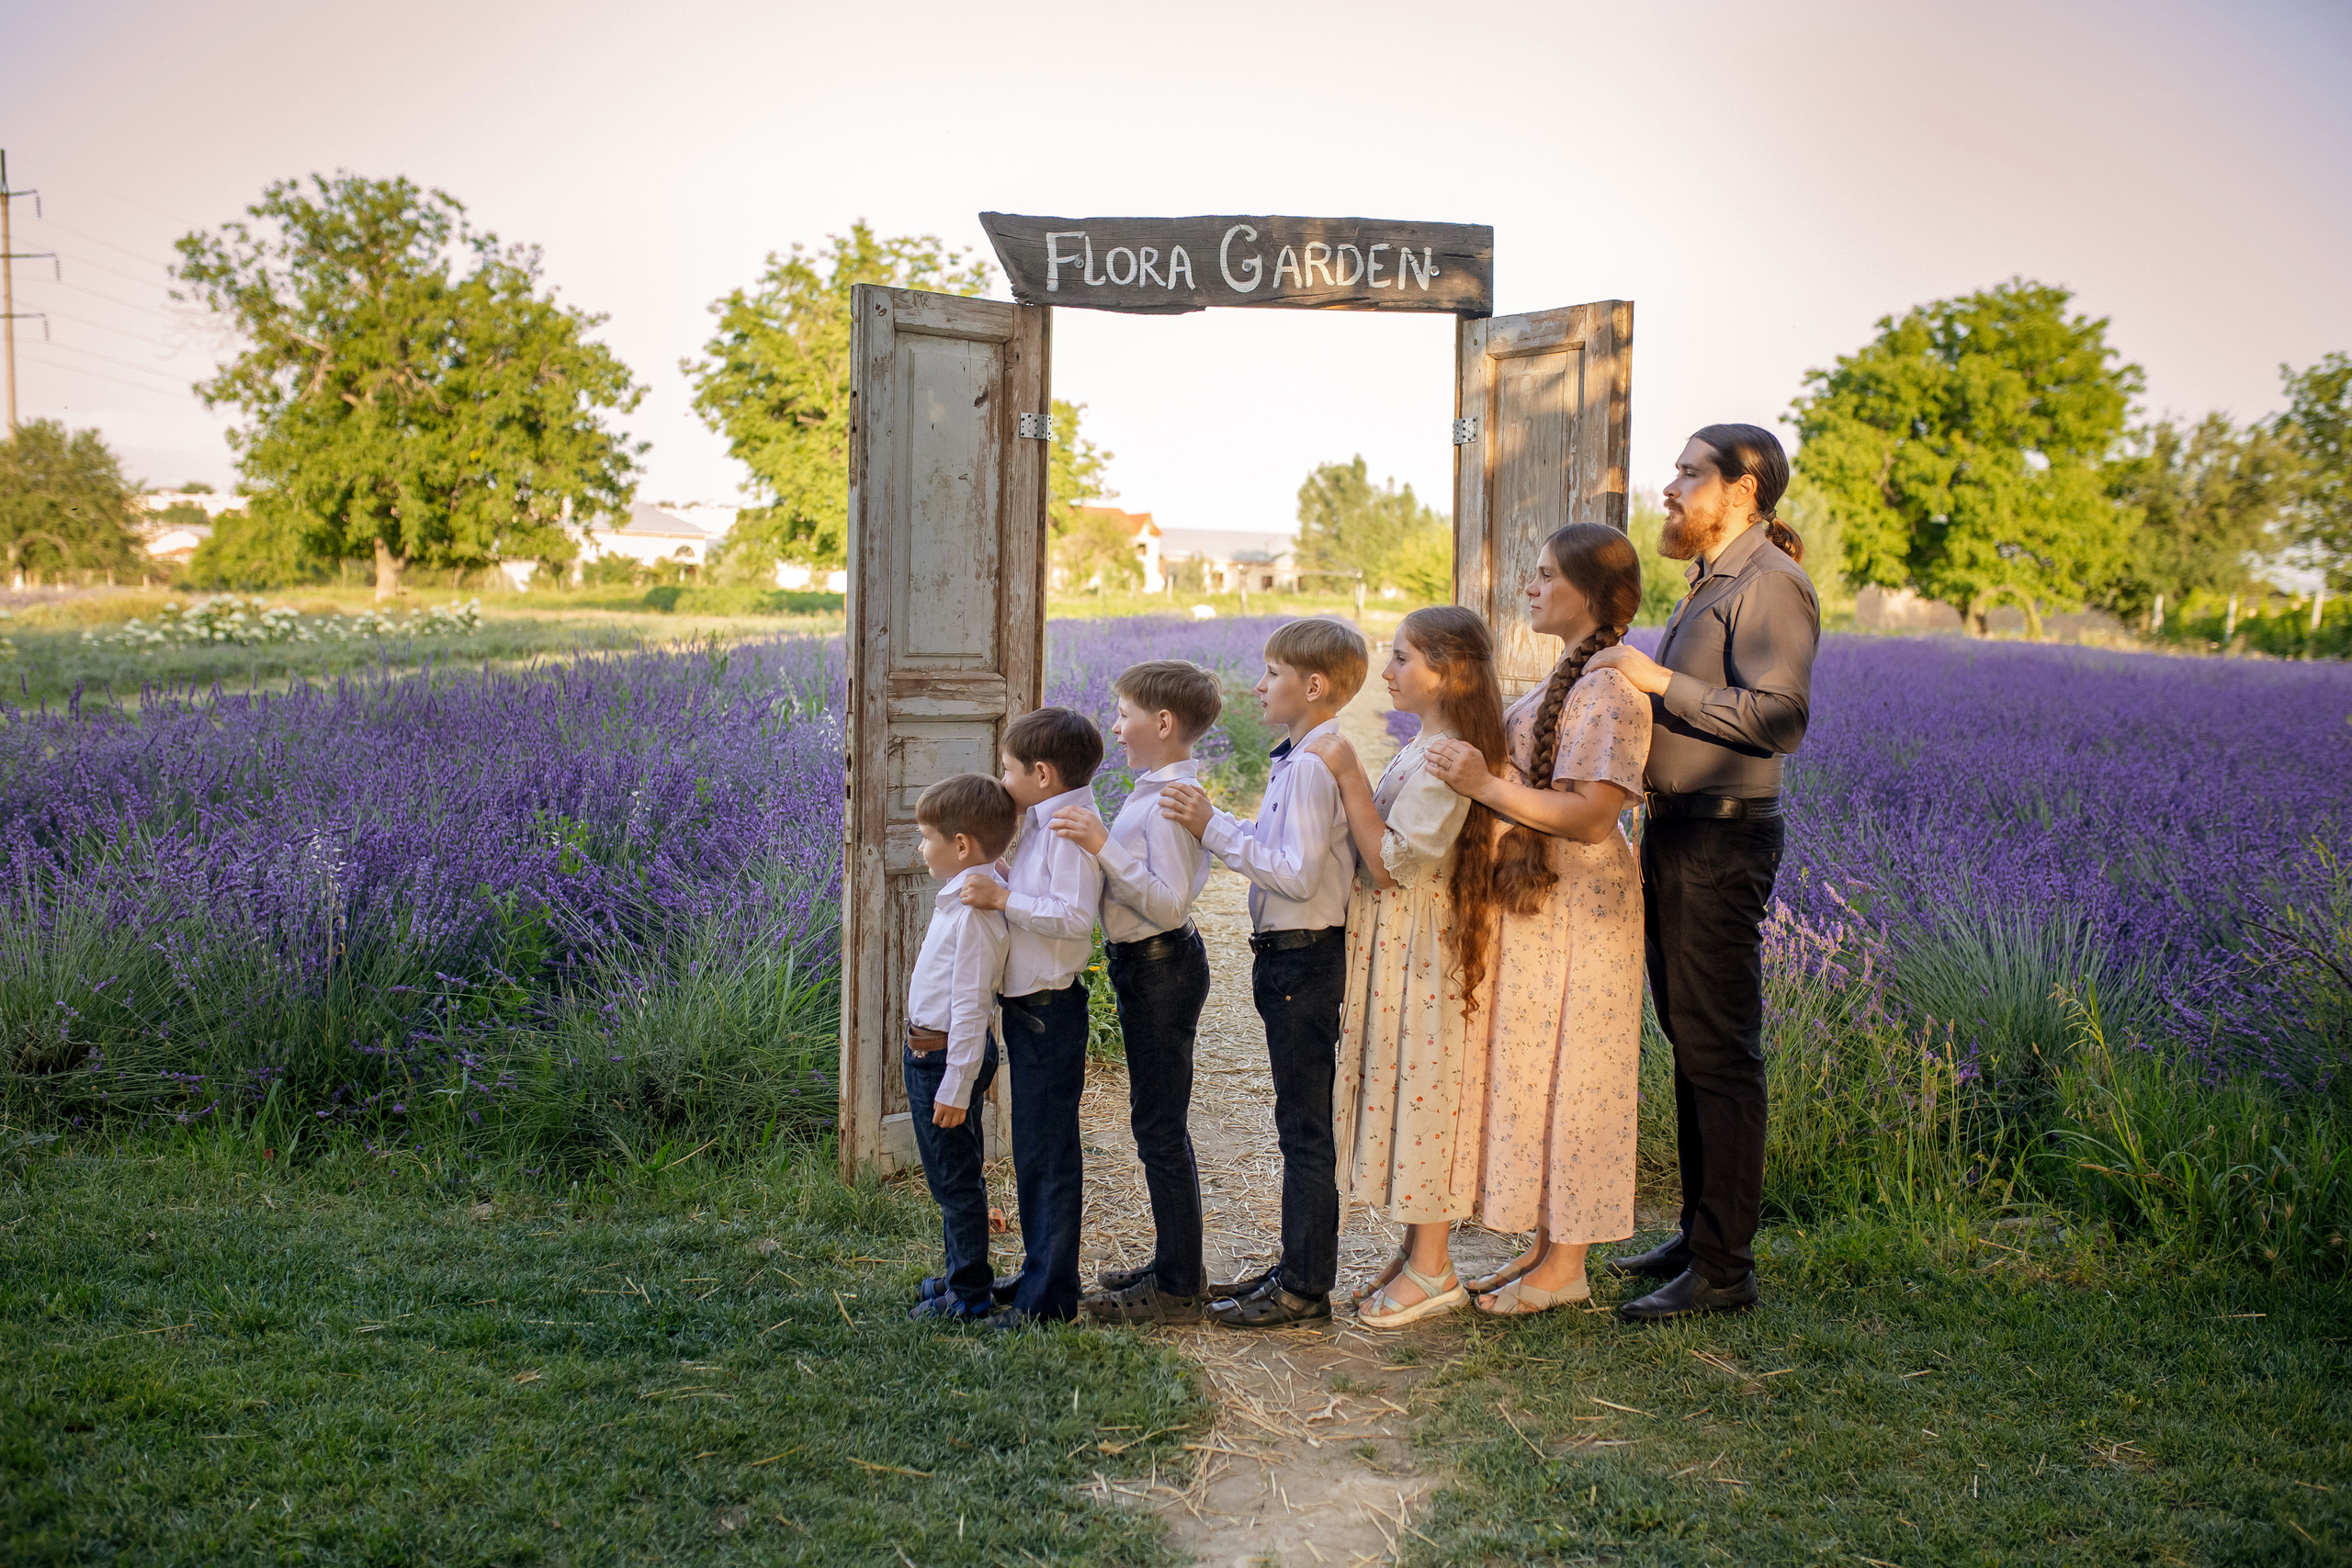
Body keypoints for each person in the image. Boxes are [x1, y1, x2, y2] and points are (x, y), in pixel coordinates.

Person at [1588, 423, 1819, 1322]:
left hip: (1722, 844)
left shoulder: (1770, 583)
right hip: (1681, 834)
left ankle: (1725, 1269)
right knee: (1691, 1042)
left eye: (1688, 474)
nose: (1670, 487)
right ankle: (1700, 1233)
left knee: (1720, 1053)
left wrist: (1655, 685)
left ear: (1743, 488)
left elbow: (1780, 716)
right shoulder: (1713, 581)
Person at [1423, 523, 1651, 1316]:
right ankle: (1552, 1250)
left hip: (1587, 908)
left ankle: (1568, 1267)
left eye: (1547, 574)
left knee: (1581, 1076)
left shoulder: (1611, 690)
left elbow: (1592, 816)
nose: (1531, 584)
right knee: (1551, 1067)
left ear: (1589, 595)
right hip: (1550, 905)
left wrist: (1486, 786)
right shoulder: (1571, 675)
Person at [1308, 606, 1511, 1329]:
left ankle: (1434, 1269)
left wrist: (1349, 774)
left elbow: (1394, 861)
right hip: (1398, 945)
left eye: (1401, 658)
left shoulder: (1448, 753)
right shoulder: (1429, 741)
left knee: (1423, 1089)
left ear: (1447, 672)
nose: (1387, 671)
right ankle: (1414, 1252)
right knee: (1401, 1082)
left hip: (1421, 949)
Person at [1160, 617, 1366, 1329]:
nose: (1258, 683)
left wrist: (1212, 827)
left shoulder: (1311, 766)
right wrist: (1219, 827)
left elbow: (1295, 872)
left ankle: (1306, 1286)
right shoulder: (1298, 758)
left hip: (1304, 958)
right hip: (1290, 956)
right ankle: (1296, 1263)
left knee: (1303, 1127)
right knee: (1295, 1120)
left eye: (1271, 672)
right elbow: (1274, 847)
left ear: (1312, 686)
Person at [1048, 660, 1224, 1325]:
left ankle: (1179, 1285)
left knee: (1159, 1127)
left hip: (1162, 966)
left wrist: (1101, 843)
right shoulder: (1153, 787)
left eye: (1123, 714)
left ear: (1163, 723)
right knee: (1155, 1123)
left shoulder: (1171, 802)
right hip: (1143, 964)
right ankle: (1171, 1263)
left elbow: (1169, 900)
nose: (1115, 727)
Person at [957, 706, 1106, 1325]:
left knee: (1047, 1155)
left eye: (1008, 768)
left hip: (1049, 1009)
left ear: (1041, 773)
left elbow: (1075, 917)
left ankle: (1050, 1299)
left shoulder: (1071, 828)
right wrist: (1008, 876)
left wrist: (1003, 896)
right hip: (1033, 1009)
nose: (1003, 778)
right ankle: (1042, 1274)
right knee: (1035, 1151)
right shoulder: (1045, 822)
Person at [902, 773, 1019, 1321]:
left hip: (946, 1057)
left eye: (927, 837)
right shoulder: (965, 894)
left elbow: (973, 1010)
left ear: (962, 845)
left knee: (955, 1182)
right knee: (951, 1175)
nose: (919, 847)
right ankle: (958, 1276)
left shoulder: (973, 913)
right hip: (933, 1052)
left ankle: (970, 1295)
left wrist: (955, 1084)